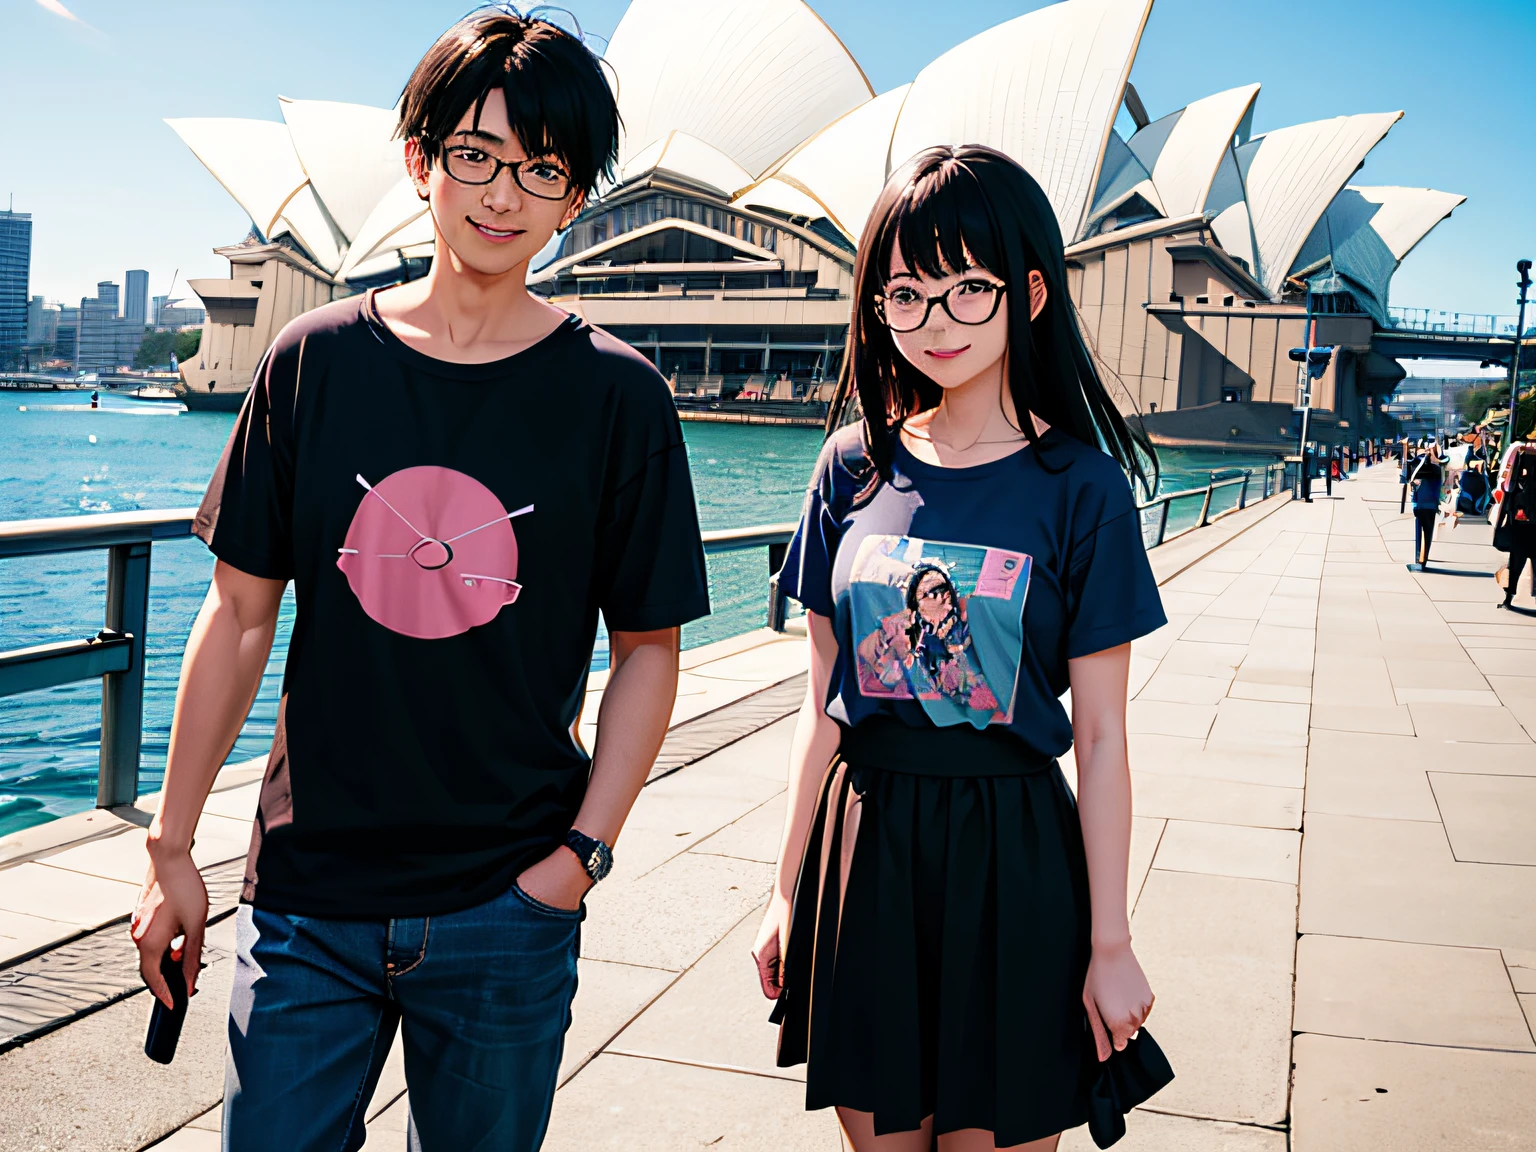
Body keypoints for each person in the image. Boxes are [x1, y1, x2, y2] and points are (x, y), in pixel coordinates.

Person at [129, 10, 710, 1150]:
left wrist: (576, 862)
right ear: (420, 160)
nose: (501, 195)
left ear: (576, 196)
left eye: (541, 169)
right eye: (475, 156)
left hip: (511, 895)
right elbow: (240, 614)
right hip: (307, 890)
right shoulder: (316, 361)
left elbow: (650, 652)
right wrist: (170, 848)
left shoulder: (618, 396)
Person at [752, 145, 1173, 1152]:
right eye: (906, 293)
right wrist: (784, 889)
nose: (935, 320)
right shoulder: (850, 465)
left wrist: (1110, 943)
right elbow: (821, 706)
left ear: (1028, 292)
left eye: (966, 287)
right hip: (868, 849)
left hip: (1015, 855)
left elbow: (1105, 736)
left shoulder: (1081, 487)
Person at [1496, 439, 1536, 609]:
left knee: (1516, 564)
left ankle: (1508, 598)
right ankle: (1509, 597)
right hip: (1527, 526)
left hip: (1522, 528)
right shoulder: (1523, 478)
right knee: (1518, 564)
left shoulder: (1521, 482)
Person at [1407, 447, 1443, 570]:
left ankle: (1419, 557)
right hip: (1431, 505)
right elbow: (1439, 489)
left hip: (1420, 505)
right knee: (1428, 532)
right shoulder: (1437, 470)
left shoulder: (1416, 468)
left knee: (1419, 531)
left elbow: (1411, 485)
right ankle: (1423, 558)